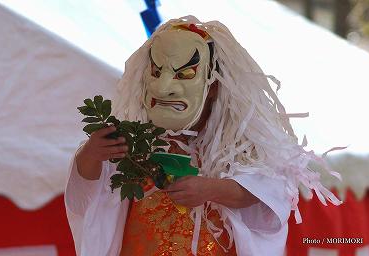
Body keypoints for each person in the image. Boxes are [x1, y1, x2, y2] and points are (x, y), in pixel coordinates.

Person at [65, 16, 341, 256]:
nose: (165, 86)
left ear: (214, 85)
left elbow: (266, 190)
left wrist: (209, 189)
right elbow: (88, 191)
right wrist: (92, 152)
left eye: (185, 74)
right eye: (157, 72)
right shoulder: (135, 141)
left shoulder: (236, 144)